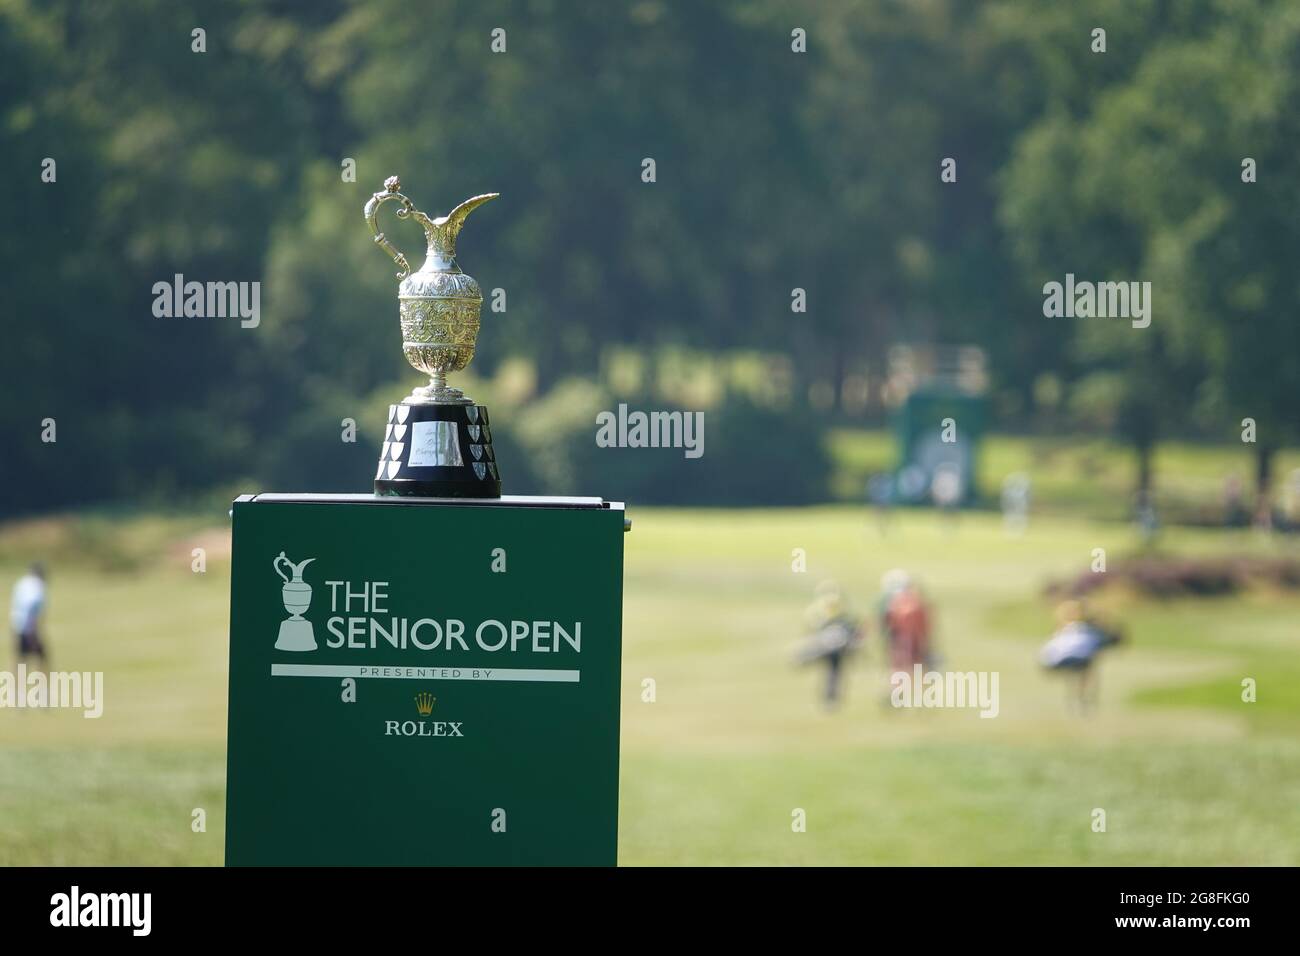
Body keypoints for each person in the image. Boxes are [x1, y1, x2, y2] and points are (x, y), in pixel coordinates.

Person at [1039, 600, 1122, 715]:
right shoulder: (1088, 630)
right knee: (1089, 667)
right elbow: (1113, 640)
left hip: (1052, 661)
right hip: (1074, 660)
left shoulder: (1062, 629)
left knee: (1081, 670)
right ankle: (1083, 700)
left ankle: (1077, 700)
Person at [796, 580, 862, 709]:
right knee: (833, 673)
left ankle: (830, 698)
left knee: (831, 673)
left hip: (831, 647)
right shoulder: (838, 606)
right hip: (834, 647)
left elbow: (815, 625)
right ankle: (831, 698)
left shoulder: (822, 607)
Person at [11, 562, 49, 669]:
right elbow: (32, 606)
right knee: (41, 656)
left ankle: (15, 684)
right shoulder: (37, 586)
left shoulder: (22, 582)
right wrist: (32, 630)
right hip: (29, 627)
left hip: (17, 625)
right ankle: (42, 684)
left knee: (21, 658)